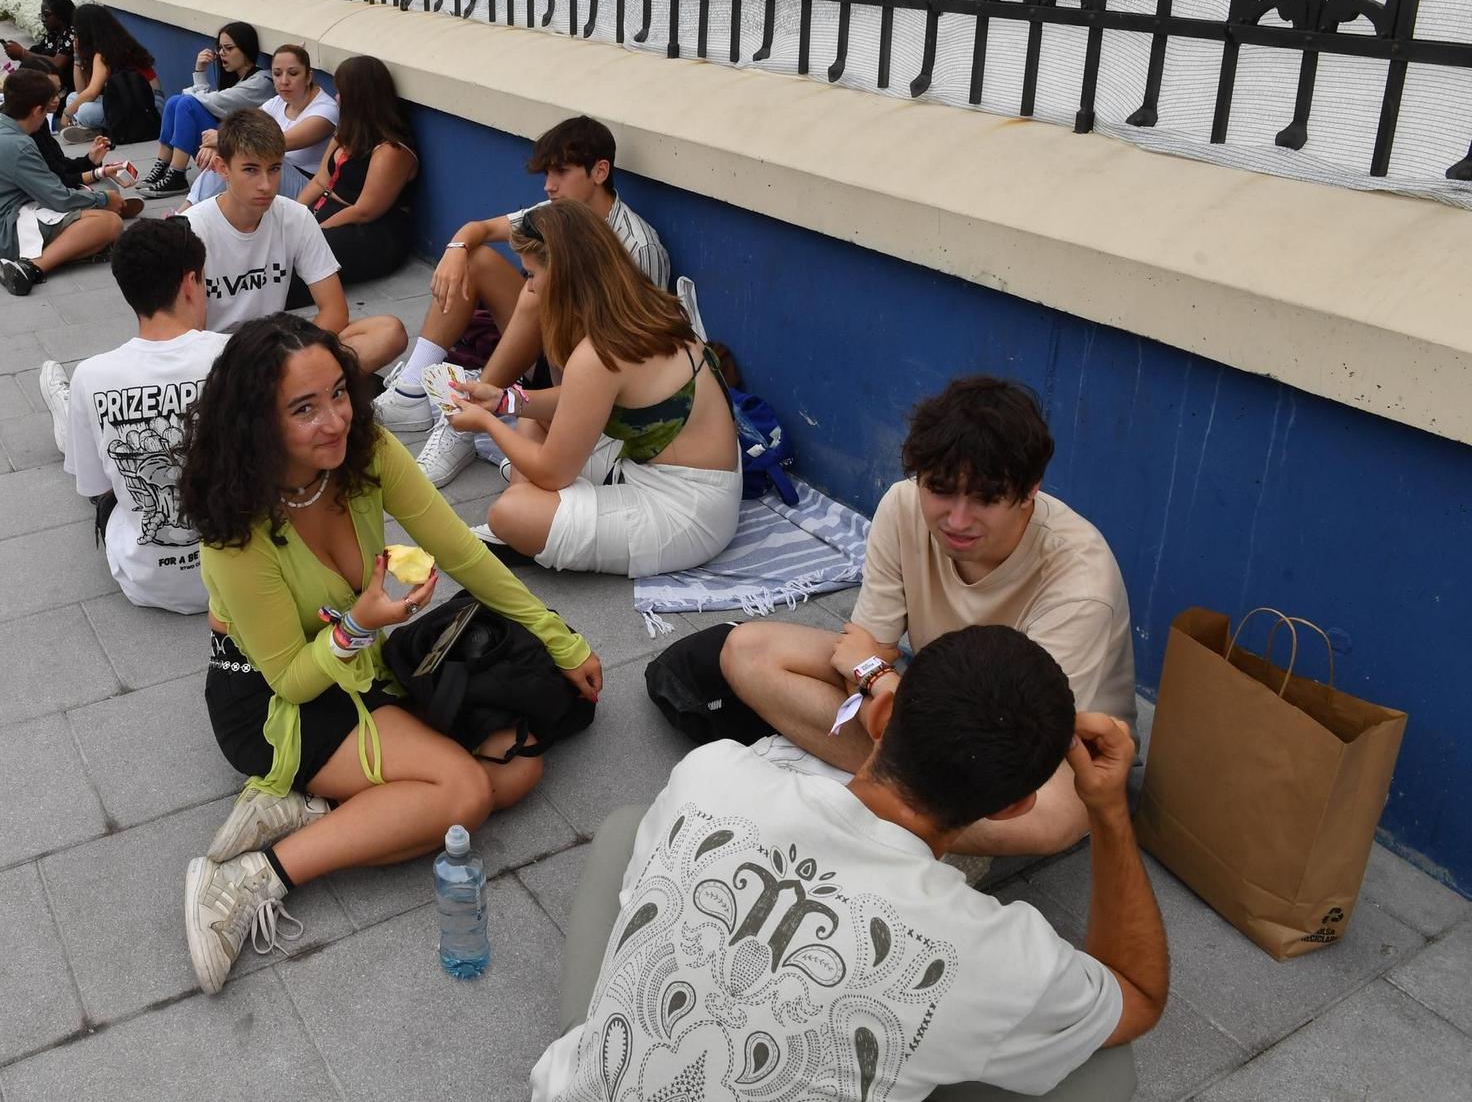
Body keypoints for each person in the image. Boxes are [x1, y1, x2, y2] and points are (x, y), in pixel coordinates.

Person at [532, 626, 1167, 1101]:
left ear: (884, 716)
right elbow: (1137, 993)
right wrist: (1109, 813)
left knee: (627, 831)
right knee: (1107, 1065)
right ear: (1013, 808)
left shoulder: (714, 771)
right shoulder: (993, 952)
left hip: (571, 1087)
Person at [178, 313, 607, 995]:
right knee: (464, 791)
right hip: (272, 701)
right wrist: (359, 622)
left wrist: (560, 638)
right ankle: (249, 878)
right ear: (256, 423)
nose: (334, 420)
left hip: (363, 664)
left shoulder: (362, 453)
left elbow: (460, 550)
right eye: (303, 408)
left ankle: (324, 810)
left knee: (516, 770)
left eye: (338, 394)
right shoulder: (234, 533)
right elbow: (289, 677)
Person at [716, 376, 1140, 857]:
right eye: (939, 489)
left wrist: (878, 681)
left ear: (1029, 492)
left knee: (1051, 818)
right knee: (746, 650)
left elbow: (1016, 736)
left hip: (1040, 744)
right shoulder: (902, 505)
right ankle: (917, 804)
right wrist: (879, 676)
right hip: (927, 698)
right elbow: (865, 648)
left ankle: (884, 791)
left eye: (984, 498)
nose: (956, 520)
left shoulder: (1080, 580)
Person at [443, 200, 740, 577]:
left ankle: (530, 522)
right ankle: (538, 517)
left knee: (509, 512)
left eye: (531, 274)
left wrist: (488, 423)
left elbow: (553, 474)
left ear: (565, 275)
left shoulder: (598, 352)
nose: (529, 288)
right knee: (528, 411)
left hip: (689, 511)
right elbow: (572, 403)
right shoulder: (637, 307)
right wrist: (505, 400)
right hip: (668, 470)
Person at [373, 116, 670, 486]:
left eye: (560, 172)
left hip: (596, 368)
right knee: (476, 257)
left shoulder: (638, 246)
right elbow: (479, 229)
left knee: (532, 297)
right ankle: (413, 390)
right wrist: (455, 249)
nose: (549, 185)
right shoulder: (553, 218)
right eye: (546, 174)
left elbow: (637, 347)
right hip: (549, 351)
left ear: (599, 171)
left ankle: (463, 424)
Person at [38, 218, 227, 613]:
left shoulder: (93, 373)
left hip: (144, 584)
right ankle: (71, 420)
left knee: (104, 478)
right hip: (239, 581)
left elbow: (95, 487)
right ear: (191, 283)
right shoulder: (237, 353)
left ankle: (69, 415)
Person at [179, 108, 408, 374]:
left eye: (274, 169)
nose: (266, 184)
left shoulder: (296, 217)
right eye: (251, 170)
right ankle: (299, 396)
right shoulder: (192, 229)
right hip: (218, 362)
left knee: (389, 332)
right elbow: (183, 336)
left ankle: (293, 394)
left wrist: (292, 359)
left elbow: (334, 310)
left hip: (277, 349)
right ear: (222, 168)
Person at [0, 69, 126, 295]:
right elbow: (59, 198)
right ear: (38, 110)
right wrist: (103, 199)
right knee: (110, 223)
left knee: (93, 217)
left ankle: (72, 249)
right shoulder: (20, 144)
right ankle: (32, 268)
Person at [291, 54, 416, 292]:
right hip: (327, 213)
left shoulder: (391, 149)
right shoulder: (346, 133)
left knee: (300, 266)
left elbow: (365, 211)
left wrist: (315, 232)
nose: (336, 99)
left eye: (341, 92)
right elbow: (320, 180)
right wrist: (294, 217)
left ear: (360, 98)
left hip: (371, 232)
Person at [183, 41, 338, 207]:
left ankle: (183, 218)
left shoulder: (325, 111)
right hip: (271, 174)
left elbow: (275, 144)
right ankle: (188, 216)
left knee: (249, 154)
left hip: (307, 190)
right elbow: (243, 124)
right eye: (277, 74)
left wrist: (221, 141)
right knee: (228, 159)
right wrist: (217, 145)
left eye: (293, 73)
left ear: (308, 77)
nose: (284, 81)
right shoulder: (278, 101)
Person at [136, 20, 273, 200]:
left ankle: (176, 175)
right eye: (220, 49)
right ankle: (164, 165)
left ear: (245, 49)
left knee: (185, 103)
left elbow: (211, 101)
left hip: (242, 147)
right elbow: (205, 101)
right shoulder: (238, 80)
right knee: (174, 102)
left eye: (228, 48)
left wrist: (198, 75)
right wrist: (199, 72)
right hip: (221, 140)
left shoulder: (260, 82)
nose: (222, 54)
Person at [57, 3, 160, 143]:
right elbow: (82, 91)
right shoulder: (117, 43)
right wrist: (77, 57)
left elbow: (92, 92)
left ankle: (96, 130)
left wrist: (66, 113)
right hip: (132, 103)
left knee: (84, 110)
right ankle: (96, 131)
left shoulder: (104, 54)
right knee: (73, 98)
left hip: (147, 106)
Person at [1, 0, 77, 77]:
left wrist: (22, 53)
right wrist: (18, 53)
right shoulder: (53, 34)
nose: (43, 19)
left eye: (46, 14)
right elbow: (36, 55)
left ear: (61, 14)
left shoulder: (72, 34)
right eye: (42, 15)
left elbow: (57, 64)